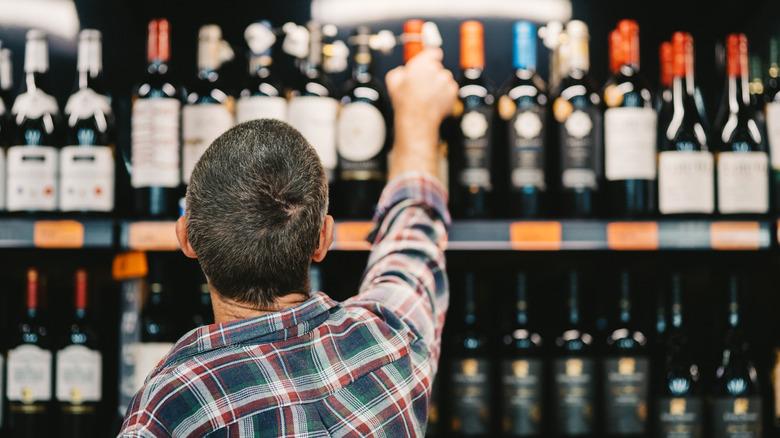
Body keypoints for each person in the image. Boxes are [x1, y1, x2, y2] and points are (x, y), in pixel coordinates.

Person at [119, 48, 458, 437]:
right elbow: (412, 241)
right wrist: (418, 118)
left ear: (186, 237)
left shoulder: (174, 406)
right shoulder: (389, 342)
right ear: (323, 239)